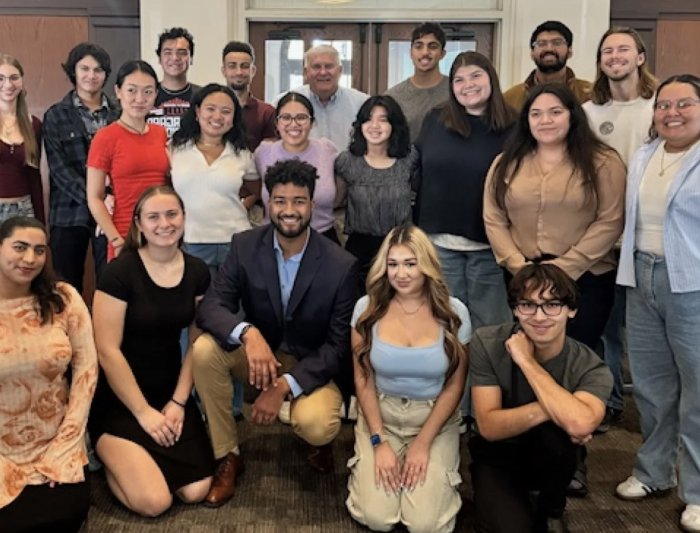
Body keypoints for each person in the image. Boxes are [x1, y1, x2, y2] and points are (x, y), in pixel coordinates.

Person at [484, 83, 626, 498]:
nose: (545, 121)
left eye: (555, 112)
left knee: (573, 362)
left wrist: (561, 271)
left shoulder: (602, 161)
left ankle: (572, 458)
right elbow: (494, 218)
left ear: (572, 116)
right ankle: (526, 447)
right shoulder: (506, 162)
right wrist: (519, 269)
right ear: (525, 120)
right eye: (536, 114)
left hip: (585, 278)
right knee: (526, 361)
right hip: (522, 278)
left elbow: (610, 220)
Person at [192, 159, 359, 507]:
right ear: (269, 204)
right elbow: (211, 307)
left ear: (313, 206)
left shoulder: (341, 265)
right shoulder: (244, 245)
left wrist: (284, 386)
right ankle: (228, 455)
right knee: (205, 349)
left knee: (317, 424)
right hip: (259, 356)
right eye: (280, 200)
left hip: (310, 364)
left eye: (299, 201)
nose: (289, 210)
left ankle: (317, 443)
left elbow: (338, 345)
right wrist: (248, 334)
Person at [89, 186, 214, 517]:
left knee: (196, 490)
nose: (164, 224)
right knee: (155, 502)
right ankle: (107, 456)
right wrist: (143, 412)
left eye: (172, 214)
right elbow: (107, 350)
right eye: (153, 216)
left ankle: (143, 462)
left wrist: (178, 402)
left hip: (169, 389)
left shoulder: (198, 271)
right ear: (139, 224)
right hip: (121, 395)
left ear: (184, 219)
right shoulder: (119, 272)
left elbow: (198, 344)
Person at [614, 74, 700, 533]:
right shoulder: (646, 155)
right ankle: (653, 471)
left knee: (697, 391)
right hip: (640, 275)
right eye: (664, 106)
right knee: (650, 384)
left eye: (684, 104)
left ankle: (698, 491)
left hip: (692, 283)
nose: (672, 113)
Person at [469, 263, 612, 533]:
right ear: (515, 309)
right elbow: (488, 426)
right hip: (498, 452)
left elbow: (580, 426)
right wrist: (556, 408)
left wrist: (525, 361)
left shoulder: (590, 365)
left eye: (552, 305)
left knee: (558, 436)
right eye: (528, 305)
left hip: (553, 451)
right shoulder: (486, 342)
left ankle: (552, 509)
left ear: (571, 310)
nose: (539, 316)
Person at [346, 224, 470, 533]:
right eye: (393, 264)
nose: (401, 273)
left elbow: (455, 385)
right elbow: (363, 380)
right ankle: (369, 471)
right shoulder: (366, 309)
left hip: (433, 418)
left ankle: (434, 480)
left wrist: (423, 443)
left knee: (423, 525)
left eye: (410, 263)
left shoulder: (455, 313)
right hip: (381, 415)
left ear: (427, 265)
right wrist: (379, 442)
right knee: (379, 519)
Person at [0, 216, 98, 533]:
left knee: (61, 516)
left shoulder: (64, 299)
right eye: (20, 247)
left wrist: (65, 447)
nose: (30, 259)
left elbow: (86, 373)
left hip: (55, 443)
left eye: (39, 250)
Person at [583, 27, 657, 433]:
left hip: (649, 238)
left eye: (623, 49)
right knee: (603, 328)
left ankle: (651, 416)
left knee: (645, 337)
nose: (614, 56)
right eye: (607, 51)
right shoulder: (589, 112)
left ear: (640, 57)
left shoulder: (659, 107)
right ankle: (608, 402)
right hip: (603, 239)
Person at [415, 51, 515, 331]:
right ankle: (452, 376)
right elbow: (416, 169)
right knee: (447, 324)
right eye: (458, 79)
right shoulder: (436, 119)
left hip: (490, 246)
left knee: (491, 328)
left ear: (491, 79)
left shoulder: (514, 124)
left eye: (475, 75)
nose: (467, 84)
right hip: (439, 243)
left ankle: (488, 377)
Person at [44, 42, 119, 295]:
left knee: (110, 282)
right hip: (68, 212)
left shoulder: (119, 115)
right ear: (73, 72)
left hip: (110, 211)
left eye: (98, 70)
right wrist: (94, 199)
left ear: (105, 74)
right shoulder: (56, 115)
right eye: (84, 69)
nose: (91, 75)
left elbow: (122, 165)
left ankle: (103, 333)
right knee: (65, 286)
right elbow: (59, 170)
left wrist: (106, 199)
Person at [171, 83, 260, 278]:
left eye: (226, 111)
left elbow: (257, 190)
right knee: (200, 305)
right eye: (210, 109)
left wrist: (243, 206)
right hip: (193, 241)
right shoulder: (175, 149)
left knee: (236, 306)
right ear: (197, 112)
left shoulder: (242, 154)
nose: (217, 117)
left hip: (236, 241)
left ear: (234, 118)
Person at [87, 60, 169, 261]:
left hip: (161, 232)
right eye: (132, 90)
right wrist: (116, 240)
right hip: (124, 233)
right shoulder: (105, 137)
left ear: (156, 95)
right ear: (118, 91)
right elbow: (94, 197)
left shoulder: (161, 134)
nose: (139, 99)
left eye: (148, 92)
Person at [335, 95, 416, 286]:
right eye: (368, 119)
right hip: (359, 249)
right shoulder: (346, 161)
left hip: (402, 247)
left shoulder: (410, 158)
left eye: (383, 119)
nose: (375, 126)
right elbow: (337, 200)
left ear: (394, 124)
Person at [255, 92, 340, 243]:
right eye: (286, 118)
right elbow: (251, 187)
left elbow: (342, 189)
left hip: (323, 238)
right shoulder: (264, 153)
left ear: (312, 123)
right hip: (274, 239)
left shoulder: (327, 150)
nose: (293, 124)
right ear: (277, 123)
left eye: (301, 118)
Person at [273, 44, 368, 149]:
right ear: (306, 72)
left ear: (340, 70)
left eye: (329, 66)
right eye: (316, 67)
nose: (323, 72)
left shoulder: (361, 104)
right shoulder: (283, 104)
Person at [503, 21, 592, 111]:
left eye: (557, 43)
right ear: (532, 53)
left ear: (569, 51)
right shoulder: (510, 98)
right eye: (542, 43)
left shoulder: (589, 95)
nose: (549, 48)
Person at [385, 22, 449, 142]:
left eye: (432, 46)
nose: (425, 52)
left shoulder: (456, 92)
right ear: (411, 53)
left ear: (442, 54)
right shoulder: (393, 97)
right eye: (418, 46)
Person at [0, 55, 43, 224]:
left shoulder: (34, 125)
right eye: (1, 79)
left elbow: (34, 176)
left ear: (22, 81)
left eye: (14, 78)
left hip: (24, 209)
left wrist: (40, 222)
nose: (8, 85)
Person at [221, 41, 276, 152]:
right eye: (232, 66)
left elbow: (272, 153)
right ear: (224, 71)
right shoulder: (212, 110)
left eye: (244, 66)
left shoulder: (266, 113)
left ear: (253, 71)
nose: (239, 72)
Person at [148, 27, 200, 138]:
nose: (175, 58)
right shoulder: (146, 95)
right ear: (159, 58)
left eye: (181, 53)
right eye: (168, 52)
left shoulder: (203, 96)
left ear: (191, 58)